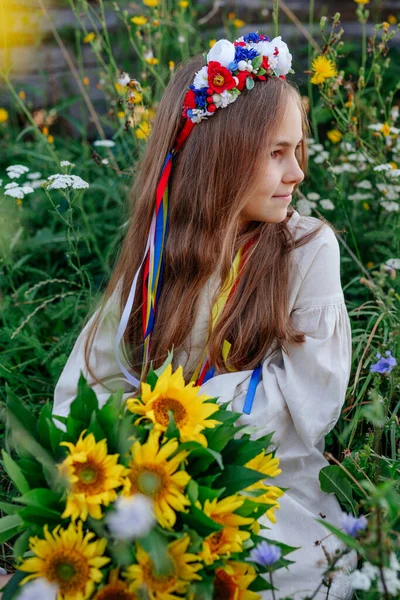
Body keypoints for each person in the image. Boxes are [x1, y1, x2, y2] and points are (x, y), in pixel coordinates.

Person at [48, 32, 358, 599]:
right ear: (223, 155)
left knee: (265, 573)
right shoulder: (157, 251)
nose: (298, 173)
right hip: (150, 482)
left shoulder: (307, 249)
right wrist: (129, 454)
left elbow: (305, 403)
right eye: (277, 153)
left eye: (299, 149)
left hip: (262, 487)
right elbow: (91, 382)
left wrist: (173, 425)